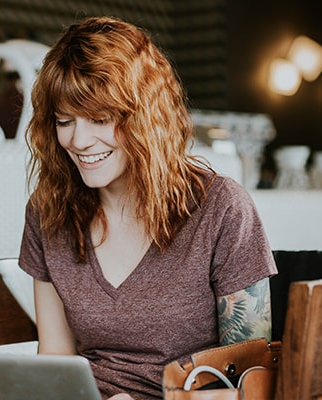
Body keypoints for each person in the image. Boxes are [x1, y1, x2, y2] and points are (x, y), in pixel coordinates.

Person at [18, 16, 277, 400]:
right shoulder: (48, 212)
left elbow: (254, 383)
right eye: (64, 121)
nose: (79, 140)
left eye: (100, 119)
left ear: (145, 117)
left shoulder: (221, 208)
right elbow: (55, 361)